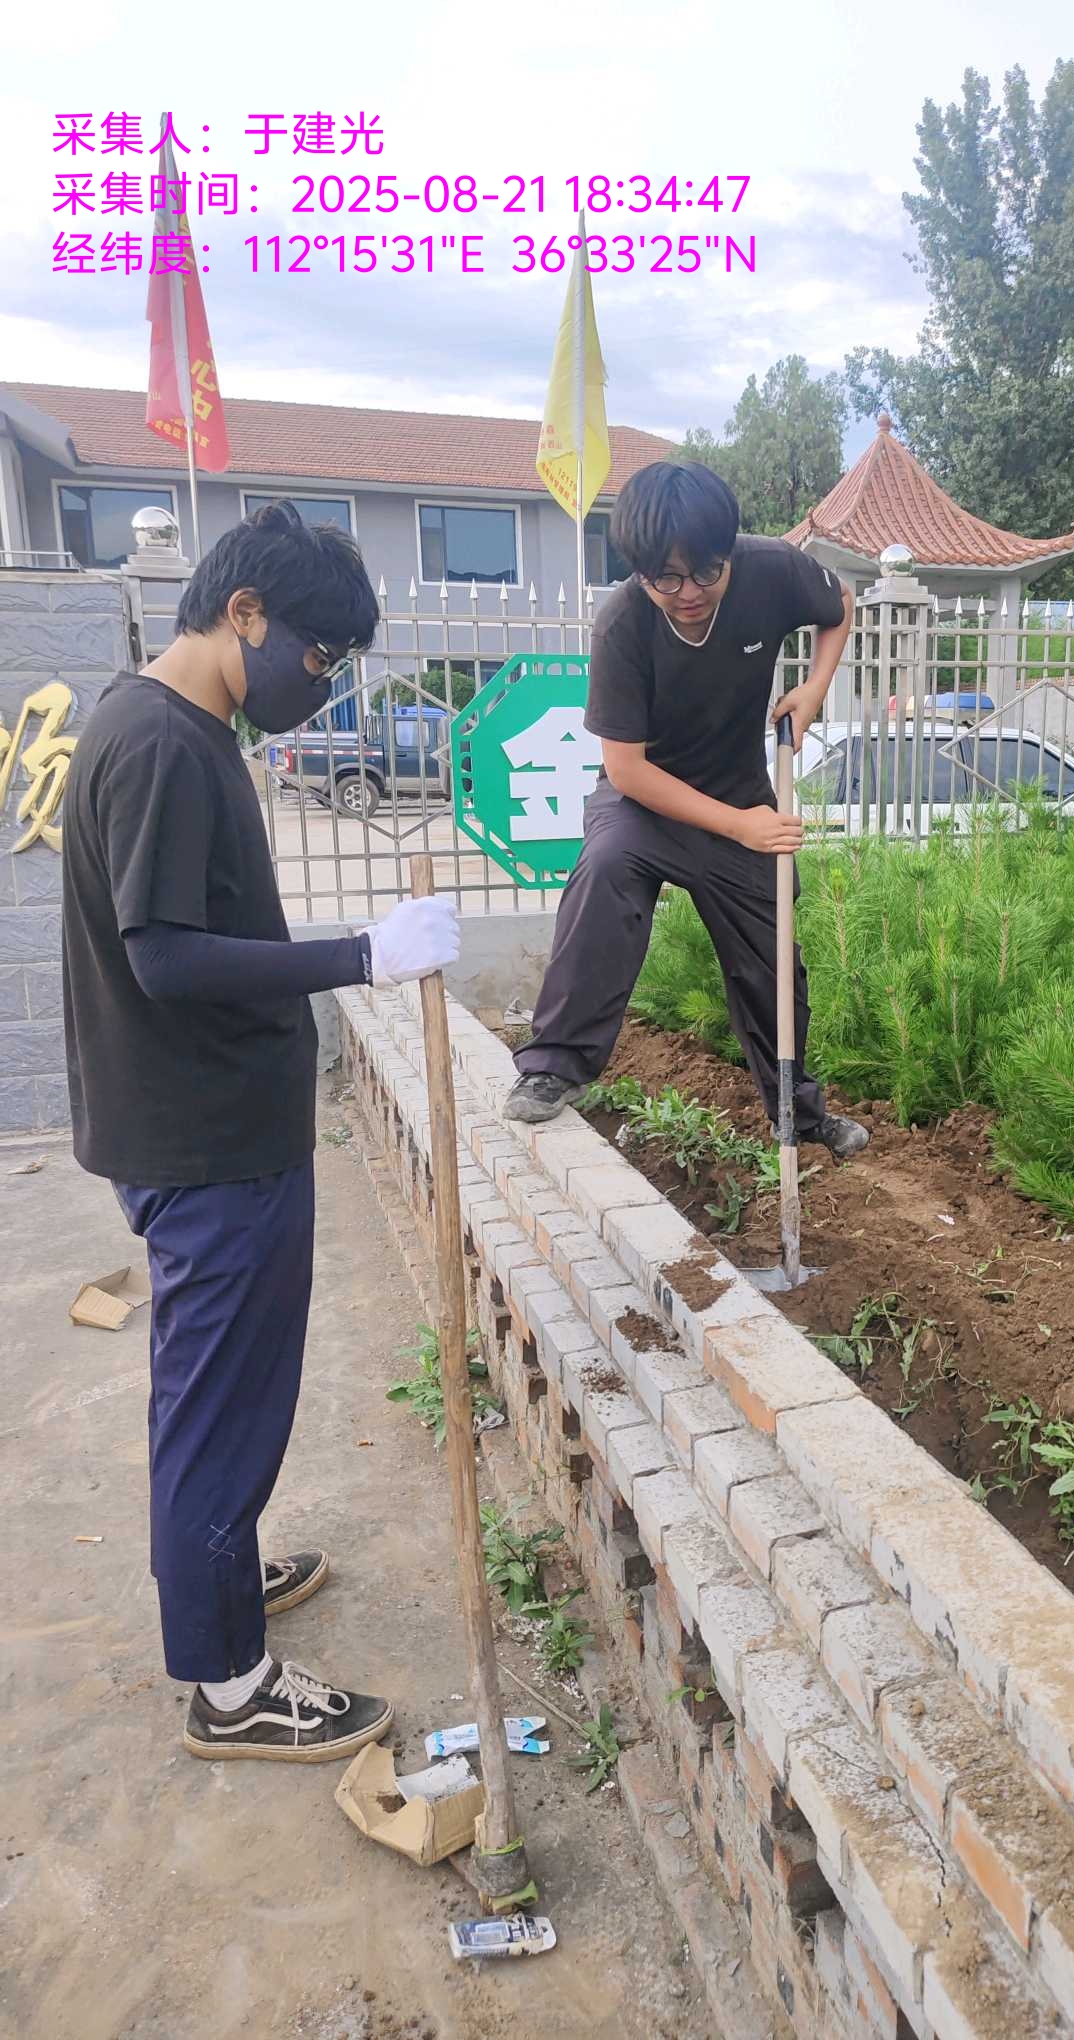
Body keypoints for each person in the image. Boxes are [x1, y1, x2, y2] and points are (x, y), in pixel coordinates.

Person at [60, 501, 461, 1763]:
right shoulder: (162, 746)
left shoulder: (172, 725)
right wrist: (361, 955)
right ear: (245, 615)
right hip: (206, 1145)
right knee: (219, 1412)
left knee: (220, 1400)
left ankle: (219, 1575)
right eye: (319, 655)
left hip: (204, 1128)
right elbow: (168, 958)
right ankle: (231, 1685)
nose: (321, 685)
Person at [508, 461, 868, 1161]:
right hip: (645, 801)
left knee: (772, 956)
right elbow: (626, 768)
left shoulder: (772, 569)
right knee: (605, 869)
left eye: (706, 572)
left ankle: (797, 1112)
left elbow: (840, 605)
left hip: (737, 790)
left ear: (728, 551)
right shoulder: (622, 625)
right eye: (665, 579)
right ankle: (553, 1066)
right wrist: (742, 826)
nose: (689, 593)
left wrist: (815, 688)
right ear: (639, 570)